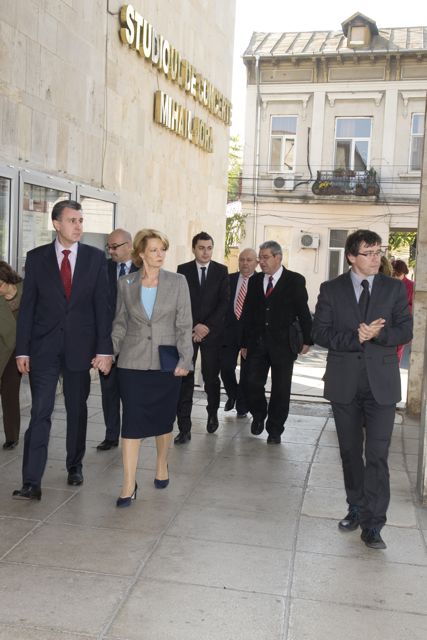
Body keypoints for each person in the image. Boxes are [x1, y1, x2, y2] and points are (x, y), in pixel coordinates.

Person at [312, 229, 413, 550]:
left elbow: (405, 329)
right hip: (344, 383)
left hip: (382, 385)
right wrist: (355, 337)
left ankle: (373, 524)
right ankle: (355, 506)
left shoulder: (394, 289)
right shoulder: (331, 289)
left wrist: (378, 335)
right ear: (351, 257)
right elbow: (320, 333)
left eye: (378, 251)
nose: (376, 258)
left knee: (378, 455)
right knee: (350, 451)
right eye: (368, 253)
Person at [13, 200, 112, 501]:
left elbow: (103, 307)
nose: (78, 226)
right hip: (43, 348)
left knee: (76, 410)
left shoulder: (95, 258)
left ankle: (74, 465)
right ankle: (31, 481)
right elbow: (28, 308)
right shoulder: (37, 258)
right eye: (72, 220)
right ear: (56, 224)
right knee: (40, 411)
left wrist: (104, 349)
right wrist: (22, 350)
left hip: (80, 349)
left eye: (81, 220)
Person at [112, 229, 193, 506]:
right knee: (131, 422)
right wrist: (108, 353)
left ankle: (161, 464)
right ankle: (128, 484)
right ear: (141, 254)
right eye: (154, 250)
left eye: (163, 249)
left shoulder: (178, 282)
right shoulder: (125, 283)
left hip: (166, 364)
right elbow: (120, 324)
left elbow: (184, 324)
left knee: (163, 420)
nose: (160, 255)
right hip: (131, 363)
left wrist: (185, 360)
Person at [240, 240, 312, 444]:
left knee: (281, 389)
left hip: (283, 345)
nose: (261, 262)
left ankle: (275, 429)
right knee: (252, 383)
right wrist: (244, 343)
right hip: (257, 343)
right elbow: (248, 313)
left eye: (265, 258)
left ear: (278, 257)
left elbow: (303, 312)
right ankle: (259, 414)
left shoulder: (294, 280)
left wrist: (308, 339)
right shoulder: (255, 281)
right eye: (260, 258)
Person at [174, 232, 229, 444]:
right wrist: (195, 325)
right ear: (194, 249)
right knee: (185, 379)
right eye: (201, 248)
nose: (205, 252)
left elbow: (224, 302)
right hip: (189, 331)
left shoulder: (221, 271)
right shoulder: (183, 270)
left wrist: (206, 327)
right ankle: (184, 428)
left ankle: (212, 413)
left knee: (211, 377)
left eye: (209, 248)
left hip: (212, 333)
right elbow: (181, 301)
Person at [97, 228, 138, 451]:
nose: (111, 251)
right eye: (109, 247)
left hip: (134, 342)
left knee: (131, 392)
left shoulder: (143, 270)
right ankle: (111, 435)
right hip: (107, 341)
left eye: (115, 247)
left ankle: (131, 435)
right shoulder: (102, 268)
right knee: (108, 390)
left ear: (129, 246)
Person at [220, 248, 258, 417]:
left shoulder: (261, 281)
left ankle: (242, 406)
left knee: (246, 374)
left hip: (250, 335)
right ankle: (233, 394)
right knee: (225, 368)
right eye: (242, 260)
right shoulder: (229, 279)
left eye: (249, 260)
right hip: (229, 333)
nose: (245, 263)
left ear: (256, 263)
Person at [0, 262, 23, 449]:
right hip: (5, 349)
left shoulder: (28, 289)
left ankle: (12, 436)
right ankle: (12, 436)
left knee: (10, 390)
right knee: (8, 390)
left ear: (7, 278)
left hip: (27, 347)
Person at [392, 259, 414, 363]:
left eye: (398, 274)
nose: (395, 277)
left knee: (398, 352)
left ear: (404, 273)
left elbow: (414, 307)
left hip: (401, 323)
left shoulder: (411, 285)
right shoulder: (389, 284)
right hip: (388, 322)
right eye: (394, 274)